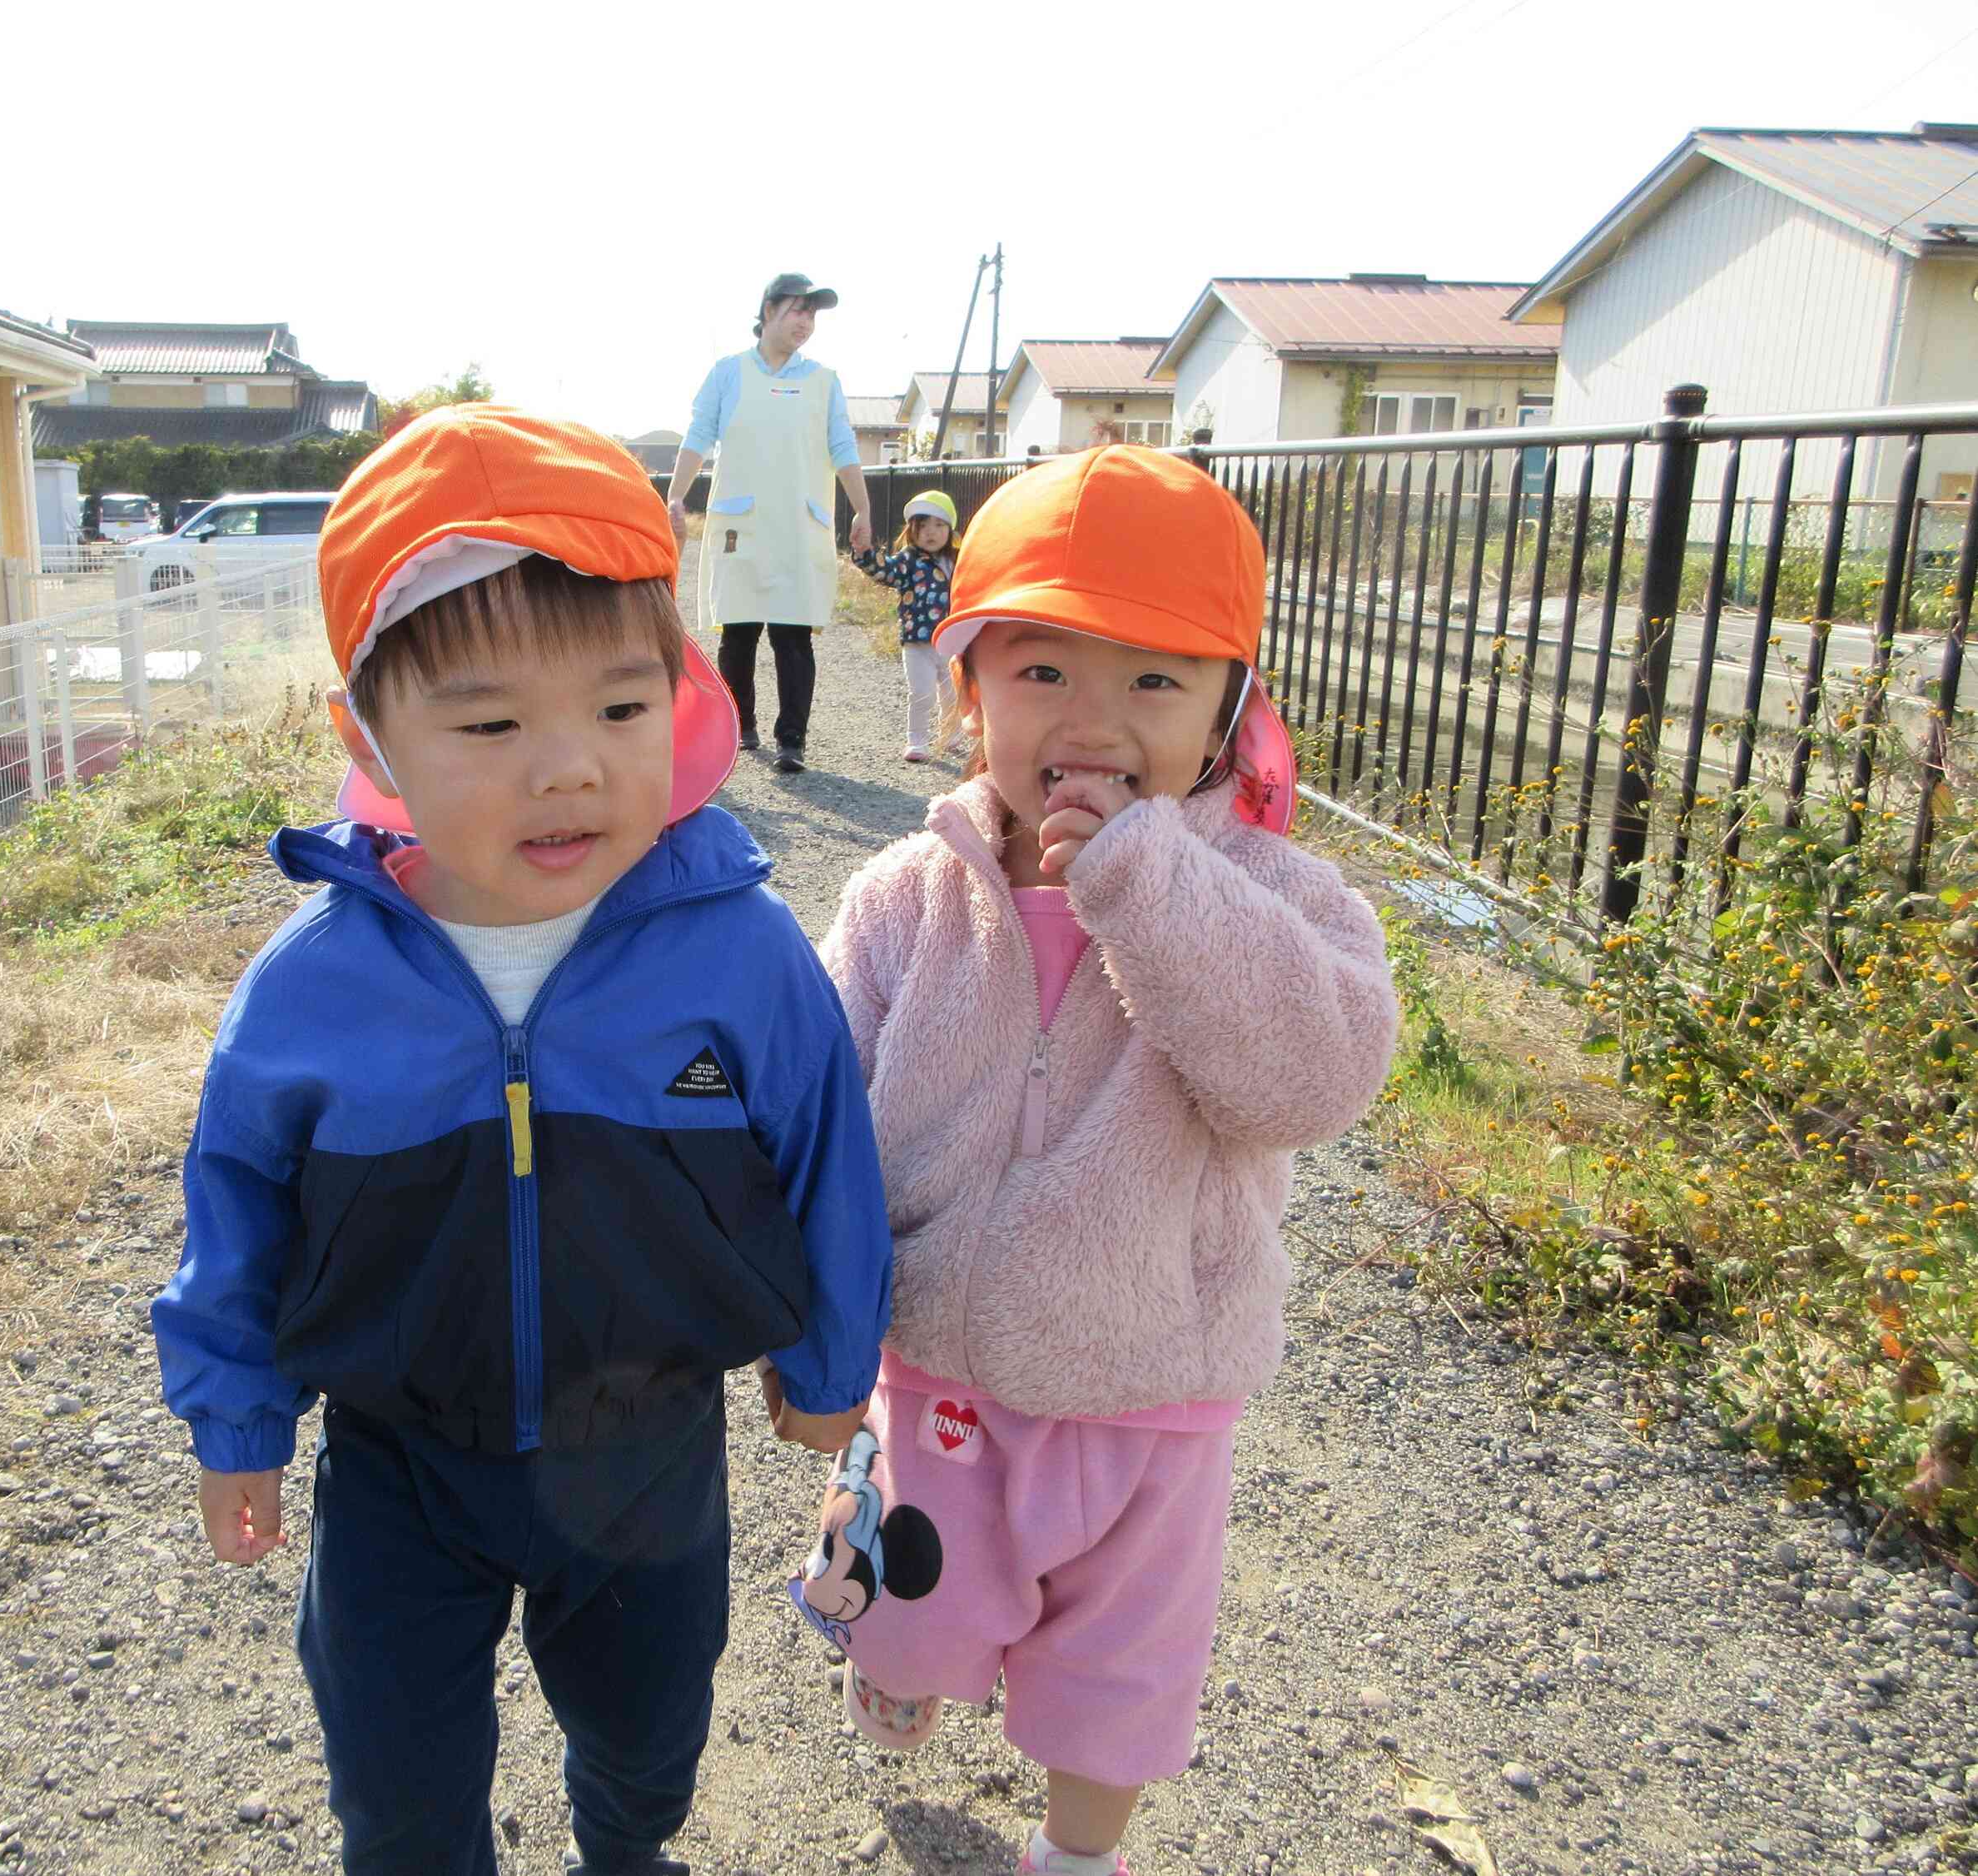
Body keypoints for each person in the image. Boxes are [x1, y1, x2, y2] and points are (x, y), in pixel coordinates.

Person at [152, 406, 892, 1876]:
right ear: (368, 738)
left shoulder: (734, 949)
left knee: (645, 1728)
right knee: (393, 1776)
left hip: (649, 1447)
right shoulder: (313, 987)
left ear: (675, 695)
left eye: (618, 709)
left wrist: (827, 1368)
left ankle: (623, 1846)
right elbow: (234, 1209)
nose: (567, 769)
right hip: (397, 1459)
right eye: (490, 726)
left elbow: (828, 1155)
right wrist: (237, 1420)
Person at [801, 447, 1399, 1876]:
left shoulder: (1272, 894)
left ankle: (1076, 1854)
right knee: (907, 1607)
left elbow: (1312, 1081)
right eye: (1042, 670)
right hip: (938, 1370)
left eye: (1152, 681)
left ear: (1227, 708)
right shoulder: (907, 895)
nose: (1093, 719)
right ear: (969, 692)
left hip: (1151, 1390)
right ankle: (904, 1660)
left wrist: (1144, 880)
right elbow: (814, 1108)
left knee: (1119, 1676)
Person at [668, 271, 876, 775]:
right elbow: (699, 436)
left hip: (800, 523)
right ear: (768, 312)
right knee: (738, 631)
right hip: (741, 522)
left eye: (812, 314)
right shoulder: (729, 373)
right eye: (797, 310)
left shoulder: (823, 380)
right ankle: (742, 725)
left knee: (793, 633)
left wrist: (863, 509)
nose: (805, 322)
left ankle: (792, 739)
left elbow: (842, 445)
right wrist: (674, 495)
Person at [854, 490, 961, 764]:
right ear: (912, 530)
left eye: (939, 525)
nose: (930, 532)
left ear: (950, 529)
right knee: (922, 694)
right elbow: (884, 571)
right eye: (922, 525)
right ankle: (917, 740)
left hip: (951, 641)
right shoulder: (908, 560)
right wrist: (865, 553)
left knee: (953, 694)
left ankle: (951, 736)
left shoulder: (959, 561)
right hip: (917, 643)